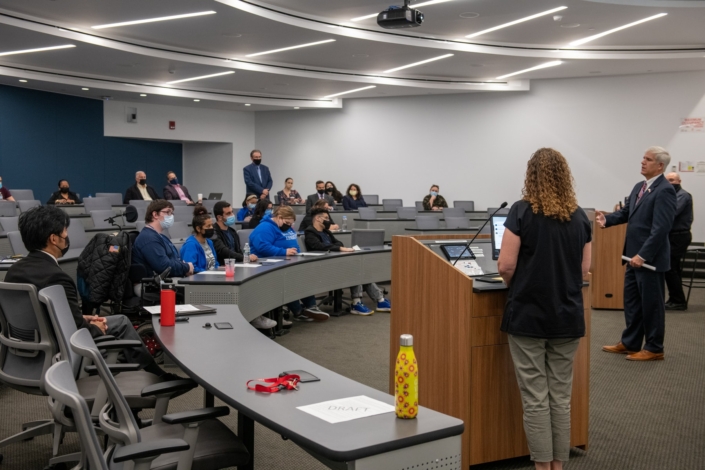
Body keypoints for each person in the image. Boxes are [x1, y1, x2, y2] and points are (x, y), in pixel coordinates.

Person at [497, 148, 592, 470]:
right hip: (567, 316)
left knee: (536, 397)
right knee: (560, 398)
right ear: (565, 176)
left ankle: (541, 466)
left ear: (531, 175)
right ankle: (558, 464)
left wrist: (520, 286)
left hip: (528, 316)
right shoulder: (580, 216)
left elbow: (506, 265)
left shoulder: (521, 211)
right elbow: (585, 269)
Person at [5, 205, 172, 378]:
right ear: (54, 239)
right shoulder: (57, 278)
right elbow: (74, 332)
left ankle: (151, 373)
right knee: (118, 335)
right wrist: (96, 328)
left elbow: (38, 314)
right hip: (62, 349)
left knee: (121, 321)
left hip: (27, 349)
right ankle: (149, 378)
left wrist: (81, 316)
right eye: (65, 231)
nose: (67, 236)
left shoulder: (13, 272)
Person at [598, 146, 676, 361]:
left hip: (648, 260)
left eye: (648, 159)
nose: (643, 162)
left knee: (652, 305)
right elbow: (627, 212)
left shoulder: (665, 190)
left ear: (660, 165)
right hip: (631, 258)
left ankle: (654, 348)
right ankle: (631, 343)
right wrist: (608, 219)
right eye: (643, 158)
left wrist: (643, 255)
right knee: (632, 303)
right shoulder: (639, 187)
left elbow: (661, 228)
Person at [305, 207, 391, 315]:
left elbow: (339, 243)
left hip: (335, 262)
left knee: (361, 269)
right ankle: (356, 302)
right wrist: (338, 248)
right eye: (326, 218)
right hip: (322, 266)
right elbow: (318, 246)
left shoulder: (326, 232)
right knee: (355, 270)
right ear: (318, 218)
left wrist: (335, 247)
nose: (329, 221)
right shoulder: (309, 232)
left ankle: (380, 300)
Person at [249, 205, 329, 322]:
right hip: (265, 264)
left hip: (285, 261)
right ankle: (298, 311)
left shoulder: (286, 228)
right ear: (279, 217)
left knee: (302, 275)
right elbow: (262, 247)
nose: (289, 226)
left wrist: (298, 255)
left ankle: (311, 307)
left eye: (291, 223)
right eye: (287, 222)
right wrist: (284, 251)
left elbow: (294, 244)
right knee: (288, 280)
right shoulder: (264, 227)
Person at [132, 200, 194, 278]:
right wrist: (186, 267)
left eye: (172, 213)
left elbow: (174, 260)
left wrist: (183, 266)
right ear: (155, 214)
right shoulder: (148, 238)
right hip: (153, 285)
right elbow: (164, 267)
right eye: (168, 212)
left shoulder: (161, 236)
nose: (171, 216)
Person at [663, 172, 693, 311]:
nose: (670, 183)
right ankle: (675, 299)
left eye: (672, 180)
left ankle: (678, 301)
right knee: (671, 268)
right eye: (667, 180)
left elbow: (671, 212)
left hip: (679, 236)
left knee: (670, 268)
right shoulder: (670, 195)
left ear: (679, 181)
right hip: (671, 236)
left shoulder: (683, 195)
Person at [211, 201, 257, 265]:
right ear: (219, 217)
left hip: (236, 264)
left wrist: (246, 257)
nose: (232, 215)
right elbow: (223, 251)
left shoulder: (232, 231)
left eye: (232, 212)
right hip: (223, 266)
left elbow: (238, 251)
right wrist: (245, 257)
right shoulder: (213, 232)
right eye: (228, 213)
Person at [180, 205, 219, 273]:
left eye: (211, 225)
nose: (211, 228)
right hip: (200, 280)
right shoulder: (190, 245)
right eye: (208, 226)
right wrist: (209, 273)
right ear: (198, 229)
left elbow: (215, 263)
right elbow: (191, 269)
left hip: (213, 277)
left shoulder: (209, 242)